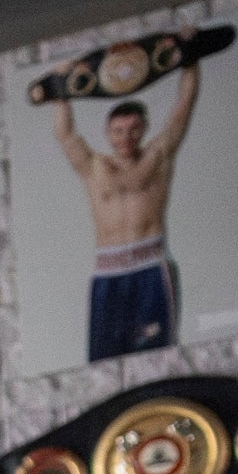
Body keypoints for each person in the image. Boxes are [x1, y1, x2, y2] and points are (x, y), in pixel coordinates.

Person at [49, 71, 197, 361]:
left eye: (133, 129)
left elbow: (185, 104)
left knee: (157, 356)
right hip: (109, 275)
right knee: (103, 360)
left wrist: (189, 59)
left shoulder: (158, 156)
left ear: (143, 129)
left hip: (151, 270)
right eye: (117, 130)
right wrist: (60, 86)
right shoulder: (94, 167)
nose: (125, 137)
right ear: (107, 133)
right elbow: (64, 133)